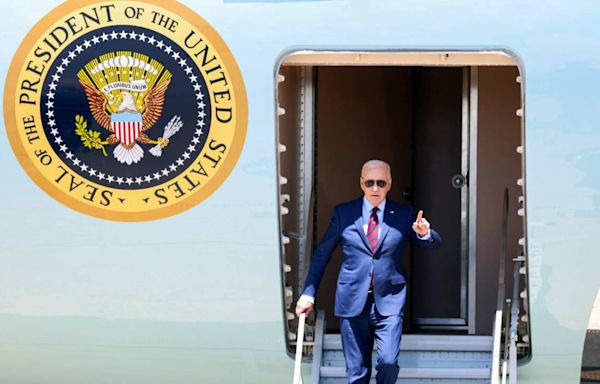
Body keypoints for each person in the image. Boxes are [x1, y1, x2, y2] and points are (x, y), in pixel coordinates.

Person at [295, 159, 441, 384]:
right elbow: (323, 254)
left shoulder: (403, 214)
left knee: (388, 362)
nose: (375, 188)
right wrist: (308, 293)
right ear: (361, 183)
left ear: (389, 184)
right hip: (352, 301)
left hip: (389, 301)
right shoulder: (344, 213)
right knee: (357, 372)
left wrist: (424, 233)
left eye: (381, 183)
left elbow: (432, 244)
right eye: (370, 182)